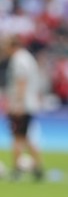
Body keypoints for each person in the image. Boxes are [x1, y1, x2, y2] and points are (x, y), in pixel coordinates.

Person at [3, 35, 43, 181]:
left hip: (22, 105)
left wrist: (18, 104)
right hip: (29, 103)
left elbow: (21, 81)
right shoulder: (27, 58)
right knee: (25, 136)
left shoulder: (18, 60)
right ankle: (38, 168)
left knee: (17, 137)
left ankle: (16, 169)